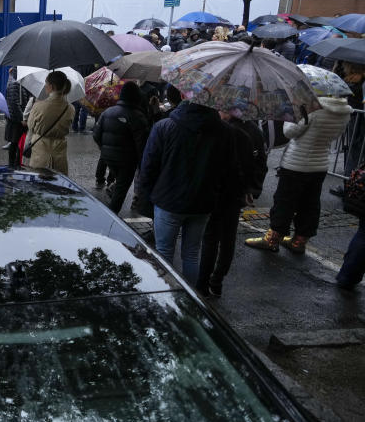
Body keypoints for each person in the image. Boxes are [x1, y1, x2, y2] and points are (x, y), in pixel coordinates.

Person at [135, 100, 230, 281]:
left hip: (168, 200)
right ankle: (190, 299)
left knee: (163, 252)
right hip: (203, 202)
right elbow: (227, 170)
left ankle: (167, 297)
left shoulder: (164, 126)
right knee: (192, 253)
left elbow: (148, 167)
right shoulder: (223, 131)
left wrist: (145, 198)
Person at [246, 96, 352, 253]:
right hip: (320, 164)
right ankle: (299, 241)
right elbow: (335, 135)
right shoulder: (344, 112)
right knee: (310, 203)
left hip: (297, 163)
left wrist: (293, 115)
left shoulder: (311, 108)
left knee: (284, 201)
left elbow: (289, 132)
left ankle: (273, 238)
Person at [197, 111, 266, 296]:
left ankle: (204, 283)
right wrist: (251, 189)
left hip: (219, 191)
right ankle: (217, 280)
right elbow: (259, 163)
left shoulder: (224, 131)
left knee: (211, 238)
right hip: (237, 193)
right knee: (228, 237)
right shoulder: (254, 131)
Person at [92, 81, 149, 213]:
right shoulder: (137, 116)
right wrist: (142, 165)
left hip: (108, 157)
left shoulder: (108, 112)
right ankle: (112, 218)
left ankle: (112, 191)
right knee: (122, 188)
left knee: (120, 183)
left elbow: (96, 135)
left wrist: (104, 148)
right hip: (127, 160)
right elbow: (142, 144)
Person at [26, 70, 73, 173]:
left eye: (46, 83)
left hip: (40, 153)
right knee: (58, 183)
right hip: (60, 153)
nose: (45, 86)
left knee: (40, 184)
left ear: (51, 86)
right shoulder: (70, 108)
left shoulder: (39, 106)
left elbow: (30, 126)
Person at [5, 68, 28, 167]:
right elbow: (15, 103)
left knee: (17, 143)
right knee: (15, 143)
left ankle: (15, 164)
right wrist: (22, 118)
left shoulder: (18, 84)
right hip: (16, 120)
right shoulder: (15, 84)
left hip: (15, 119)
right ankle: (14, 165)